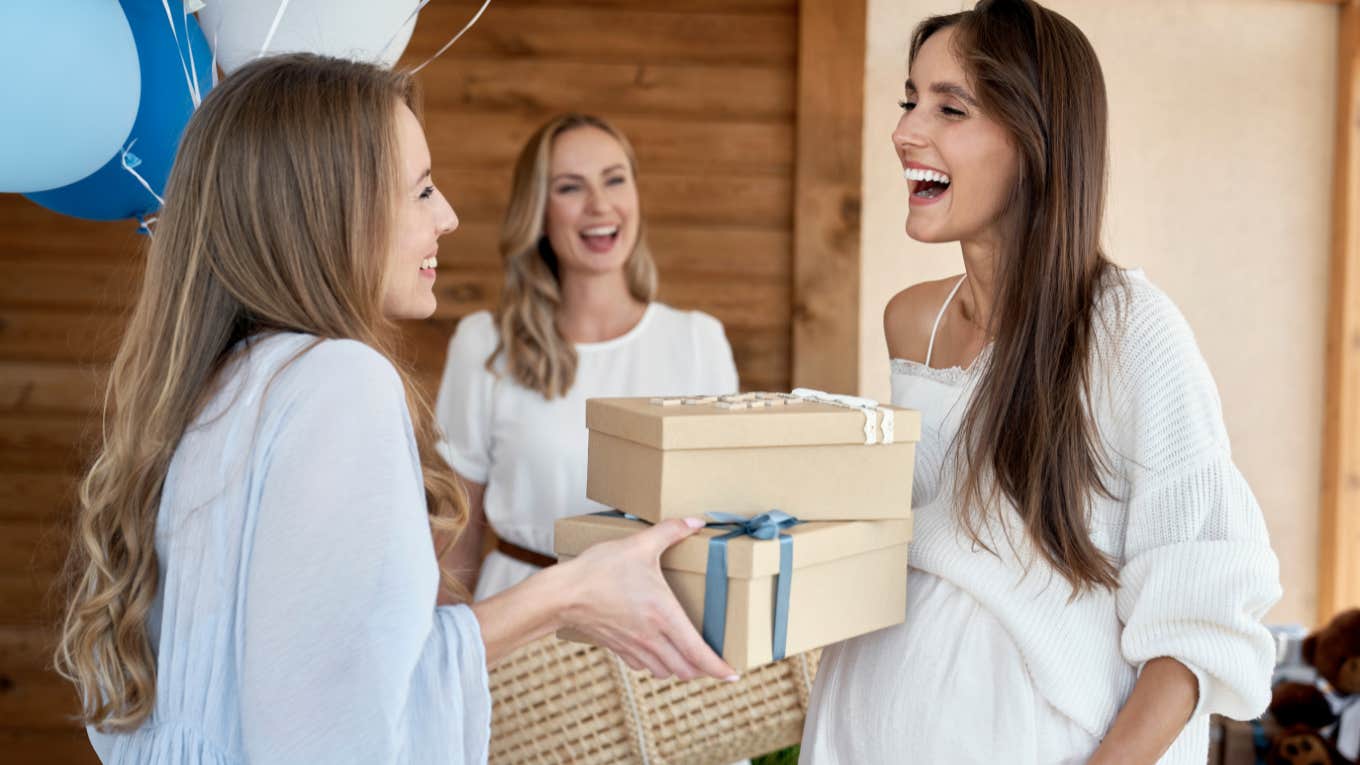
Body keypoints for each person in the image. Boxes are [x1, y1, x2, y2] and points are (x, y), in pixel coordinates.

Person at [55, 54, 735, 765]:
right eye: (421, 190)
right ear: (333, 209)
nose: (448, 216)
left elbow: (293, 688)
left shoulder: (227, 379)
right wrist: (567, 594)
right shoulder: (339, 381)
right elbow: (339, 725)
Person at [798, 2, 1281, 763]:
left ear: (1035, 139)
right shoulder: (912, 324)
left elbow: (1199, 625)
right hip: (858, 731)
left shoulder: (1130, 334)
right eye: (909, 100)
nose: (905, 132)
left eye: (949, 107)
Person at [435, 113, 738, 600]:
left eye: (615, 180)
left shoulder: (698, 341)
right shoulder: (484, 345)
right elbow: (457, 533)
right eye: (570, 188)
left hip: (657, 621)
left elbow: (725, 522)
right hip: (520, 620)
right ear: (537, 211)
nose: (600, 205)